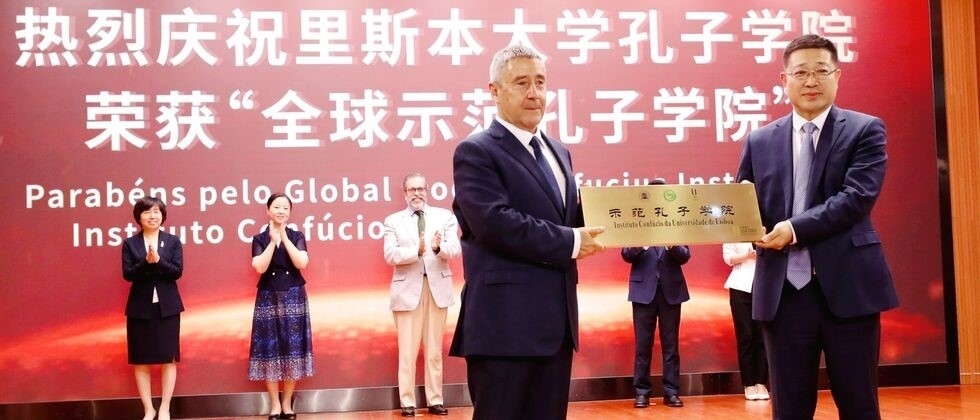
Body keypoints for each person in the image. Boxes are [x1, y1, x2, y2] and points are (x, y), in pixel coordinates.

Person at [736, 34, 899, 419]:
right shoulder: (760, 140)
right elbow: (744, 204)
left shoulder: (864, 130)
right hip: (783, 294)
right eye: (801, 73)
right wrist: (726, 222)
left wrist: (792, 229)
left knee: (859, 404)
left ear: (837, 76)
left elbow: (856, 198)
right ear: (784, 80)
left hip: (849, 288)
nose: (811, 81)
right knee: (789, 409)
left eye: (821, 71)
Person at [448, 43, 606, 420]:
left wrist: (638, 216)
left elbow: (565, 216)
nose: (534, 93)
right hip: (504, 327)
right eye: (521, 83)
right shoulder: (476, 151)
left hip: (556, 326)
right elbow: (494, 223)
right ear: (494, 91)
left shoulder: (559, 151)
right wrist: (571, 242)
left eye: (540, 82)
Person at [382, 173, 461, 417]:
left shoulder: (444, 217)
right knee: (407, 351)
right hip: (407, 291)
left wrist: (437, 248)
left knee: (434, 351)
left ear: (427, 190)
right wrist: (415, 251)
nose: (417, 193)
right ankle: (407, 401)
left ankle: (435, 399)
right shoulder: (393, 221)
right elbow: (390, 254)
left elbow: (454, 249)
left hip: (437, 289)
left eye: (420, 189)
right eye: (412, 189)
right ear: (405, 193)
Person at [621, 179, 690, 410]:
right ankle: (642, 393)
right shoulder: (637, 218)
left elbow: (685, 255)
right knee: (643, 346)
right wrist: (642, 244)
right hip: (643, 292)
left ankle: (671, 392)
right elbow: (626, 254)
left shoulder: (677, 218)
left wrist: (671, 245)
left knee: (671, 347)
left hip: (671, 292)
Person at [248, 193, 315, 420]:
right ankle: (275, 404)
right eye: (277, 207)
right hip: (268, 296)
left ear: (290, 212)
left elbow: (301, 262)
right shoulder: (259, 238)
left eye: (285, 208)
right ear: (268, 210)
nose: (281, 211)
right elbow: (259, 267)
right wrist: (272, 242)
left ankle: (287, 403)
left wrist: (284, 238)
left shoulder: (297, 236)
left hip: (294, 294)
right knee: (270, 350)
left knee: (292, 349)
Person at [121, 196, 184, 420]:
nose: (152, 216)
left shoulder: (172, 241)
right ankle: (149, 409)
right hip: (140, 309)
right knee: (141, 360)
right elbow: (128, 274)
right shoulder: (130, 243)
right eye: (147, 212)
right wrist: (145, 262)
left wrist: (158, 260)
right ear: (139, 217)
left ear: (162, 215)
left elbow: (177, 271)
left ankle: (165, 408)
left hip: (167, 307)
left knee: (168, 358)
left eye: (156, 211)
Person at [722, 242, 768, 400]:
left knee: (763, 337)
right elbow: (728, 258)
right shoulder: (733, 232)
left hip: (764, 286)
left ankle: (761, 382)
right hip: (740, 287)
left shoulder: (767, 230)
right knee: (745, 337)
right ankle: (749, 383)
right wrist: (747, 256)